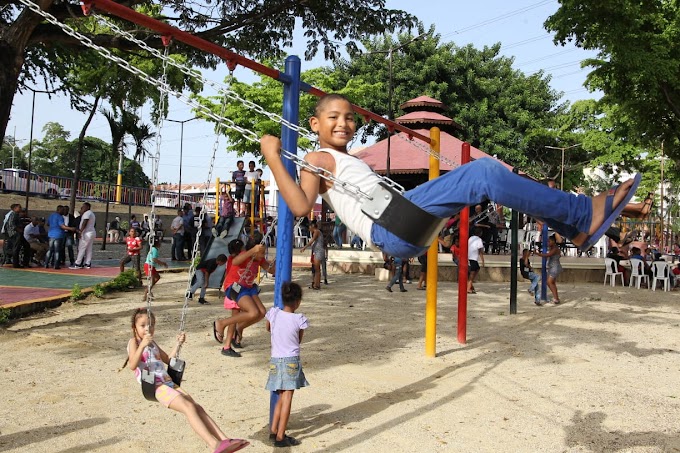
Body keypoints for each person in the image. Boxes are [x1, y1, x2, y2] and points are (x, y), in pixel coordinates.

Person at [260, 93, 644, 260]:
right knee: (483, 173)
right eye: (333, 118)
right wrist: (273, 157)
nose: (343, 123)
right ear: (315, 123)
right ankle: (580, 211)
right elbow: (299, 205)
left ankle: (575, 226)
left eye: (348, 118)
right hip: (392, 227)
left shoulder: (350, 158)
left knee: (486, 175)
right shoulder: (317, 158)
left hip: (401, 222)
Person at [124, 308, 250, 453]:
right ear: (134, 327)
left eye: (151, 325)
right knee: (188, 408)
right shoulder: (134, 342)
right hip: (155, 386)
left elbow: (168, 360)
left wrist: (178, 344)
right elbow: (132, 365)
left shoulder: (153, 343)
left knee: (197, 407)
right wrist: (142, 345)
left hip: (168, 382)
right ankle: (213, 444)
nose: (148, 328)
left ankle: (224, 440)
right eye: (143, 325)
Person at [213, 232, 275, 357]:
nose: (263, 255)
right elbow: (235, 262)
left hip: (248, 288)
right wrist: (252, 251)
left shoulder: (259, 259)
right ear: (253, 251)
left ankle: (238, 329)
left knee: (261, 312)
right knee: (251, 312)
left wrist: (276, 261)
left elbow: (271, 270)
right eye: (261, 252)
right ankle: (222, 326)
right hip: (236, 287)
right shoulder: (243, 256)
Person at [265, 281, 308, 448]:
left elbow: (268, 328)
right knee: (287, 397)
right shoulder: (299, 319)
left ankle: (274, 429)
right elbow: (299, 339)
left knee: (281, 396)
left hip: (275, 360)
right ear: (298, 301)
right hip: (291, 360)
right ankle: (281, 435)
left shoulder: (274, 313)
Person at [214, 239, 246, 357]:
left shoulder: (230, 259)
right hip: (235, 288)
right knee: (235, 318)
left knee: (239, 315)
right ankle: (227, 345)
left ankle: (234, 338)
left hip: (236, 288)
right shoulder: (235, 260)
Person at [535, 234, 563, 304]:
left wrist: (538, 254)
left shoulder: (555, 248)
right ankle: (556, 298)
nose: (548, 243)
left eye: (549, 241)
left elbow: (548, 255)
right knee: (552, 283)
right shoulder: (552, 248)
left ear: (553, 241)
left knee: (549, 282)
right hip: (552, 267)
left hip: (555, 267)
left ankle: (556, 298)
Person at [300, 219, 325, 289]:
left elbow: (312, 240)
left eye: (310, 227)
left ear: (313, 226)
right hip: (316, 251)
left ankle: (317, 285)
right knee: (315, 269)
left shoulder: (316, 232)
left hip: (318, 251)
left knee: (317, 269)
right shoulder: (316, 232)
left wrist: (304, 247)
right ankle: (315, 283)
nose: (309, 229)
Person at [72, 202, 95, 269]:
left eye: (83, 207)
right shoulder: (91, 213)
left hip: (86, 233)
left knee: (82, 248)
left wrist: (80, 232)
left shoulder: (87, 213)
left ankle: (78, 263)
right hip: (91, 232)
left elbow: (84, 223)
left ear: (87, 207)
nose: (82, 208)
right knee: (89, 249)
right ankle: (87, 263)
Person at [467, 227, 484, 294]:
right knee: (472, 274)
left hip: (469, 257)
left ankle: (470, 285)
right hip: (473, 258)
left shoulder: (470, 238)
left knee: (476, 269)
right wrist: (483, 260)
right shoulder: (479, 240)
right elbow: (480, 251)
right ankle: (468, 287)